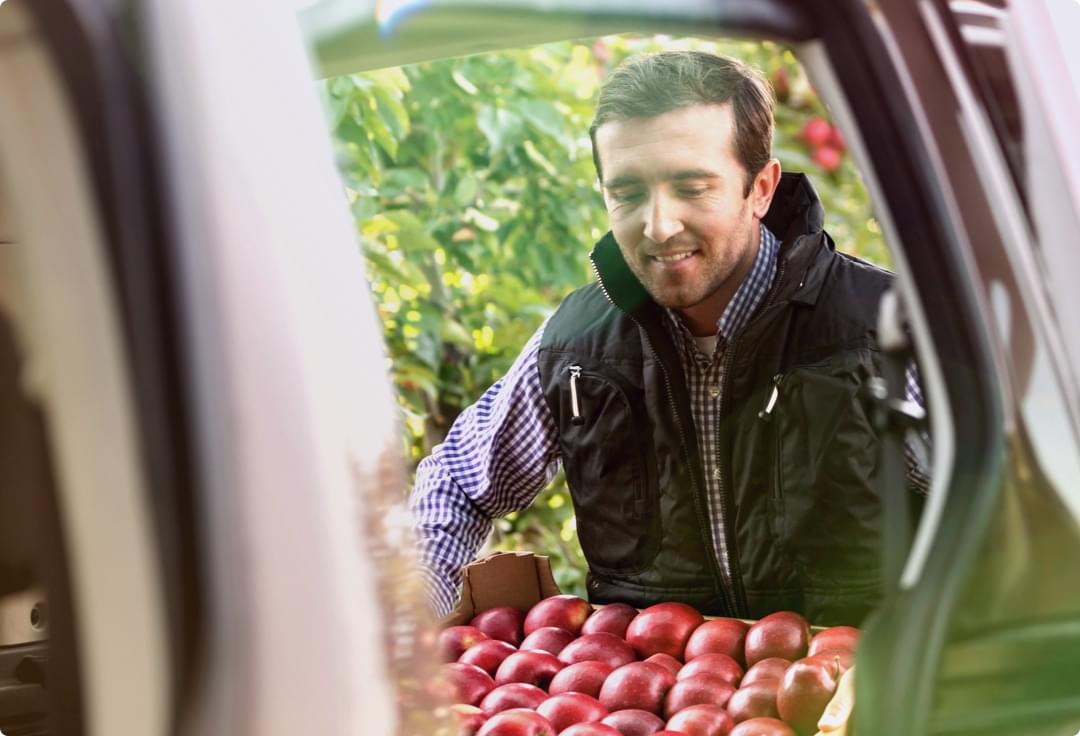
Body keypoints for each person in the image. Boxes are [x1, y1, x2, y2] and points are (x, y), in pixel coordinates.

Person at [409, 50, 928, 626]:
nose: (658, 226)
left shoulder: (886, 330)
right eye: (627, 193)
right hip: (653, 703)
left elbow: (1004, 516)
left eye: (691, 186)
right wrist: (409, 632)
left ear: (760, 187)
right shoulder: (578, 345)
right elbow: (457, 484)